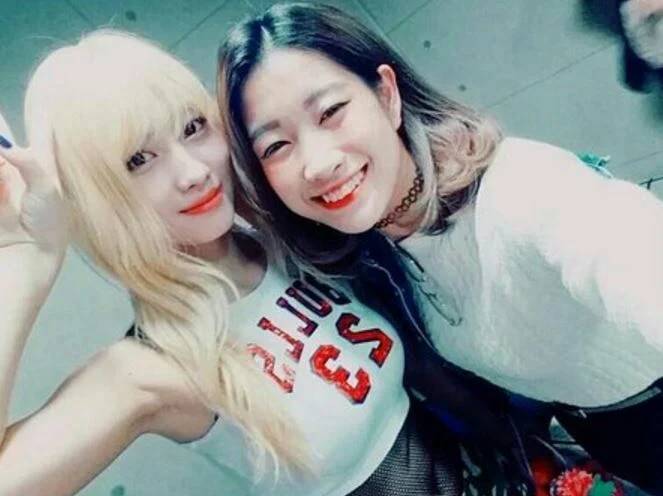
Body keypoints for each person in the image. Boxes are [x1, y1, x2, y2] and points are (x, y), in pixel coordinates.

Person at [218, 3, 663, 493]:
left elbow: (631, 257)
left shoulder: (522, 189)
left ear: (387, 95)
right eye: (276, 147)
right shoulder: (376, 256)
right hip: (601, 431)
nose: (318, 163)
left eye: (331, 112)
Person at [0, 30, 464, 496]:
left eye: (192, 128)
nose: (194, 172)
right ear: (99, 200)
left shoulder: (286, 238)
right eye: (139, 160)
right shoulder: (149, 368)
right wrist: (28, 260)